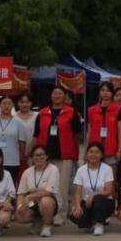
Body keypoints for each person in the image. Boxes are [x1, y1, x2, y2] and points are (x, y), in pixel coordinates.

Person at [33, 86, 82, 225]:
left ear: (65, 96)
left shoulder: (72, 113)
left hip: (65, 155)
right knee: (45, 186)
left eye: (60, 93)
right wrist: (33, 153)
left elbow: (77, 135)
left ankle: (60, 216)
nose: (57, 95)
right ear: (51, 96)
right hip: (45, 157)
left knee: (62, 187)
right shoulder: (42, 113)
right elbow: (36, 135)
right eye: (55, 93)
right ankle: (44, 213)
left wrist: (75, 154)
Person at [69, 142, 116, 235]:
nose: (93, 154)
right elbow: (78, 192)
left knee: (98, 200)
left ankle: (99, 224)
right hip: (87, 203)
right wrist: (77, 206)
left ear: (101, 155)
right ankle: (92, 222)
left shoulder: (107, 169)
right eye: (91, 152)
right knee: (76, 217)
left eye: (97, 152)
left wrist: (93, 195)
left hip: (104, 201)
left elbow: (109, 191)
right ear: (87, 154)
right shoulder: (81, 170)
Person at [16, 145, 59, 237]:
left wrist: (29, 196)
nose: (39, 157)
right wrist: (20, 206)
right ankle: (37, 221)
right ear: (32, 157)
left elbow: (48, 192)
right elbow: (20, 193)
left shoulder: (53, 169)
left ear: (47, 156)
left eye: (41, 155)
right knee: (19, 216)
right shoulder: (27, 172)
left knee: (45, 201)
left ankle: (47, 225)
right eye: (36, 155)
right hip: (32, 203)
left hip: (49, 201)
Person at [0, 95, 28, 181]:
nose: (6, 106)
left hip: (12, 161)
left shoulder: (19, 123)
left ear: (13, 105)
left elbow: (22, 142)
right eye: (4, 103)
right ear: (0, 105)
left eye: (9, 103)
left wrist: (21, 156)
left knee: (10, 184)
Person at [86, 81, 121, 169]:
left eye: (108, 90)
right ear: (99, 92)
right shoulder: (91, 110)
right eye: (102, 90)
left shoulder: (118, 109)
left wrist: (119, 150)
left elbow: (120, 131)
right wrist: (86, 150)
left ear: (112, 93)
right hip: (94, 150)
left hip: (111, 149)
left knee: (111, 175)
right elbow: (89, 131)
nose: (105, 93)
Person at [13, 92, 37, 177]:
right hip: (16, 153)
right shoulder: (12, 116)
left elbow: (37, 135)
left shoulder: (37, 116)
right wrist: (21, 153)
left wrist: (29, 151)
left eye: (27, 102)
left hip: (33, 153)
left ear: (31, 103)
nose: (24, 104)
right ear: (17, 103)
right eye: (22, 102)